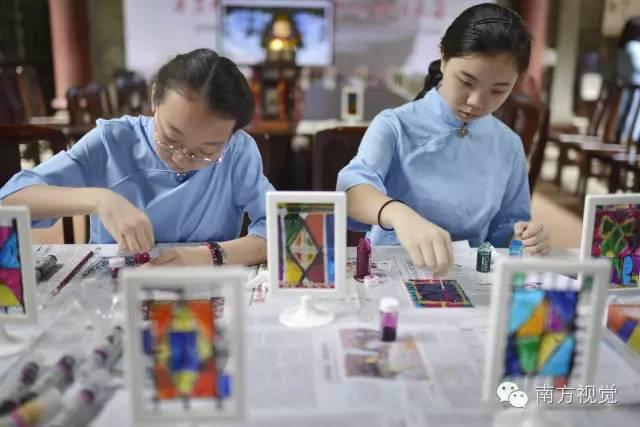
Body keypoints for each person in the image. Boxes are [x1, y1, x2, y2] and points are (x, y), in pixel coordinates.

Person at [0, 49, 272, 266]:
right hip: (117, 290)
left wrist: (207, 256)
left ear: (232, 134)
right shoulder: (114, 141)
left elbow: (277, 231)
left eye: (206, 152)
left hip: (207, 288)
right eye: (171, 138)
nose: (181, 158)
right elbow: (9, 200)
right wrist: (99, 200)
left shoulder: (238, 152)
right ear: (154, 98)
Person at [336, 3, 550, 276]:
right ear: (443, 57)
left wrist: (526, 239)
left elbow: (506, 232)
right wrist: (399, 215)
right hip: (394, 274)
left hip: (471, 278)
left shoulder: (508, 144)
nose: (476, 102)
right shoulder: (395, 125)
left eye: (498, 91)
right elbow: (350, 192)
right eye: (466, 81)